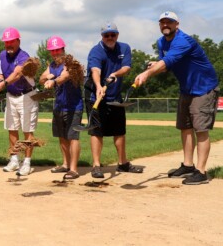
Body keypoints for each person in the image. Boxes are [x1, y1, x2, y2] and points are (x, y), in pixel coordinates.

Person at [135, 11, 219, 185]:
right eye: (163, 22)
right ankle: (188, 165)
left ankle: (201, 172)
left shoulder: (183, 40)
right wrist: (154, 65)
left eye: (169, 22)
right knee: (185, 127)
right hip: (186, 88)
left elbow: (167, 61)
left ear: (177, 24)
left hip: (203, 87)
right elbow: (166, 64)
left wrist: (147, 73)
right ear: (160, 25)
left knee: (200, 129)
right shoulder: (161, 42)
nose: (166, 25)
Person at [85, 23, 143, 178]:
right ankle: (96, 166)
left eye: (113, 34)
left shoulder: (124, 48)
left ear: (117, 35)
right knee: (97, 132)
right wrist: (98, 86)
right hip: (96, 97)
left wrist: (114, 74)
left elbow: (126, 68)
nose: (110, 38)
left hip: (115, 97)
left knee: (119, 131)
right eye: (106, 35)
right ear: (102, 36)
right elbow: (95, 70)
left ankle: (123, 163)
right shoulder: (96, 51)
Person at [0, 27, 39, 176]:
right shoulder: (2, 55)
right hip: (11, 96)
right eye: (6, 42)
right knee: (12, 128)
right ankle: (14, 159)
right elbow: (0, 71)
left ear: (18, 41)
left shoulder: (24, 56)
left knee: (27, 131)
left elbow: (17, 73)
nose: (8, 45)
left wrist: (3, 84)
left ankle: (27, 163)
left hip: (27, 96)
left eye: (11, 42)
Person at [39, 36, 83, 179]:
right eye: (52, 51)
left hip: (73, 106)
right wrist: (47, 77)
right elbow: (41, 79)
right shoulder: (52, 65)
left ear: (63, 49)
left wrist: (53, 81)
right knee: (62, 137)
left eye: (57, 50)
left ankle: (74, 169)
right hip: (59, 106)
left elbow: (64, 77)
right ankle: (65, 164)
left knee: (73, 137)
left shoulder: (71, 64)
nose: (55, 53)